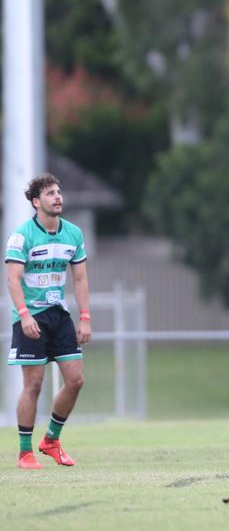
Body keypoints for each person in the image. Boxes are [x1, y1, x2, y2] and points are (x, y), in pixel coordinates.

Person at [6, 174, 92, 470]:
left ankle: (51, 440)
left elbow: (79, 277)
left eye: (59, 192)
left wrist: (85, 318)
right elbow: (13, 279)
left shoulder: (73, 234)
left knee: (76, 380)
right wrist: (25, 315)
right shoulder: (22, 235)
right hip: (30, 316)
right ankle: (24, 452)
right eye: (50, 193)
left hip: (59, 316)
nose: (58, 197)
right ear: (36, 202)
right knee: (34, 385)